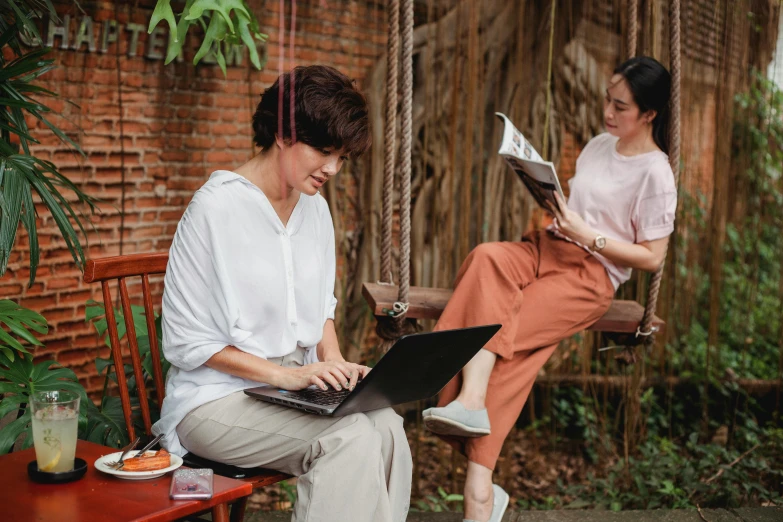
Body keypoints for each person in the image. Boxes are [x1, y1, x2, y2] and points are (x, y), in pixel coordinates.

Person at [152, 65, 412, 522]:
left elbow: (321, 311)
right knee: (347, 438)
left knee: (387, 425)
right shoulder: (215, 209)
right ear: (283, 133)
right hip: (214, 401)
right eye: (324, 151)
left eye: (341, 157)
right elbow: (188, 342)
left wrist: (331, 361)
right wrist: (284, 376)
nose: (332, 168)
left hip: (291, 389)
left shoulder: (315, 209)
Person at [422, 56, 676, 522]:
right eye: (607, 98)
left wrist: (591, 237)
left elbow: (652, 256)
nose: (608, 111)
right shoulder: (600, 145)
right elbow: (576, 207)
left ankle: (479, 489)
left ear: (649, 115)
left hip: (591, 276)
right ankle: (472, 403)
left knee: (509, 346)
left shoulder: (656, 174)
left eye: (620, 106)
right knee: (486, 259)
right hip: (548, 247)